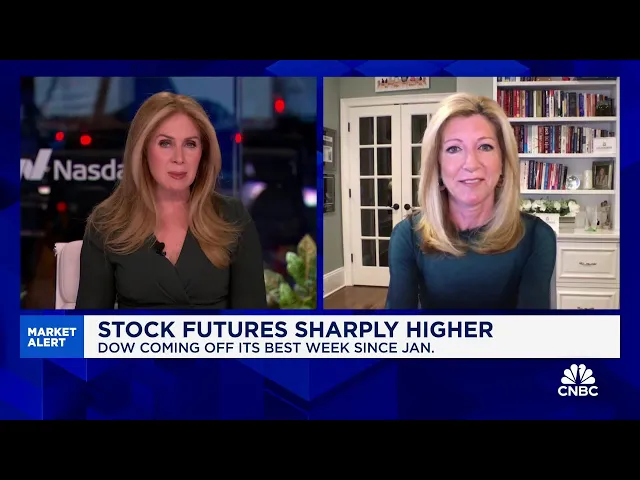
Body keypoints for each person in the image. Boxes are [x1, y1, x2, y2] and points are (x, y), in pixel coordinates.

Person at [75, 92, 267, 309]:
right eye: (165, 143)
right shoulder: (108, 223)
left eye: (190, 144)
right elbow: (88, 325)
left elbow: (253, 323)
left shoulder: (231, 217)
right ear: (143, 150)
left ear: (203, 153)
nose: (179, 158)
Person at [386, 93, 556, 310]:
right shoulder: (408, 235)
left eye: (485, 147)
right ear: (437, 164)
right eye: (453, 149)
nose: (471, 164)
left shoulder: (536, 236)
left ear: (503, 160)